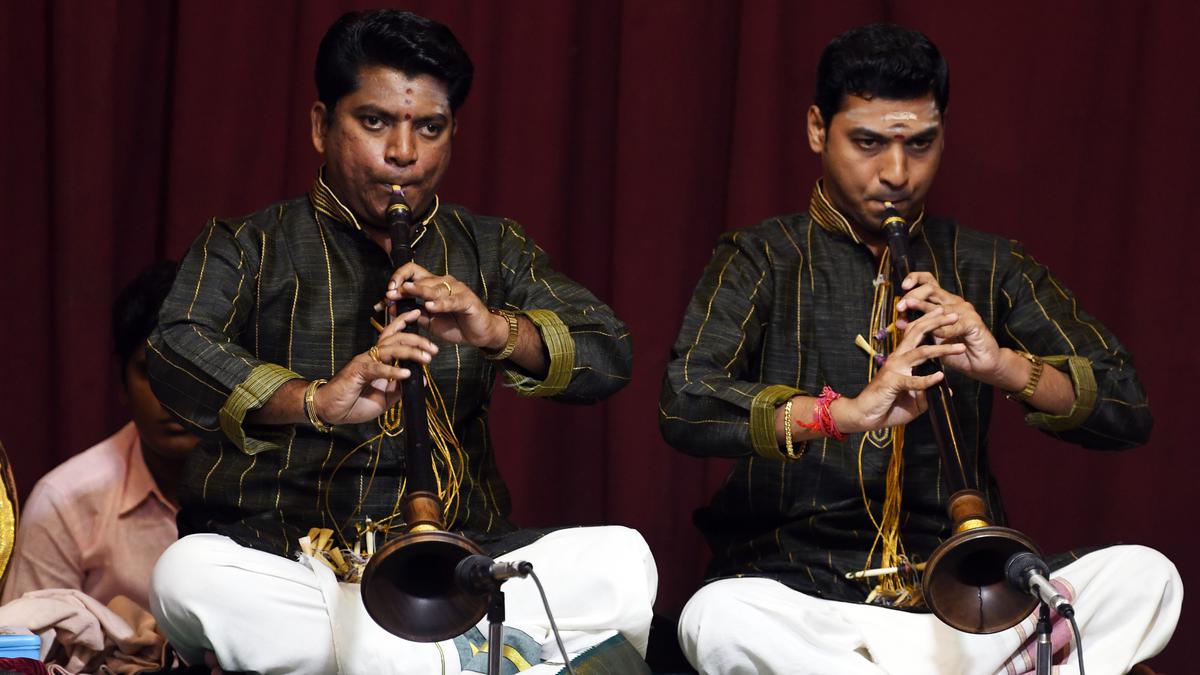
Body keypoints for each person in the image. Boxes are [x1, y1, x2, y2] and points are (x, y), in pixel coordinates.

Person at [659, 23, 1180, 675]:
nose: (897, 173)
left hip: (964, 610)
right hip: (804, 602)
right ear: (818, 130)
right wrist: (843, 413)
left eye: (921, 144)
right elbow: (686, 402)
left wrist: (1002, 364)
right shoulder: (762, 256)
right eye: (868, 143)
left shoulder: (989, 264)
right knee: (716, 618)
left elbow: (1127, 408)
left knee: (1147, 575)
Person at [146, 9, 654, 674]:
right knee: (186, 572)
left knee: (623, 561)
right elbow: (174, 347)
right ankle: (457, 653)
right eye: (376, 121)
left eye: (429, 127)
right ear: (321, 125)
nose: (404, 153)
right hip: (288, 563)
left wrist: (495, 328)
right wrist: (315, 399)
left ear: (453, 133)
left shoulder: (493, 248)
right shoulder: (248, 244)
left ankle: (408, 646)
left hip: (455, 565)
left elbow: (608, 352)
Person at [3, 262, 197, 611]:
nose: (172, 396)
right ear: (121, 383)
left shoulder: (278, 485)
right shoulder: (64, 500)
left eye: (193, 370)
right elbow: (24, 653)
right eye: (151, 372)